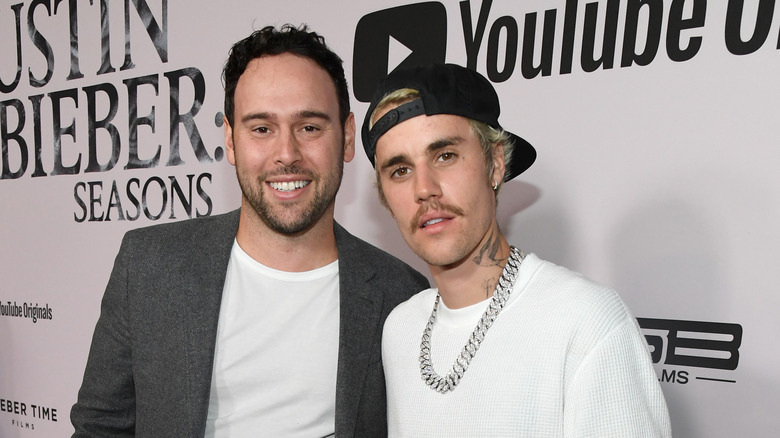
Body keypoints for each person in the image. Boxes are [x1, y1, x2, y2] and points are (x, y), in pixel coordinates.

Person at [70, 25, 428, 438]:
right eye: (261, 128)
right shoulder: (149, 264)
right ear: (231, 139)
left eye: (310, 127)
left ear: (347, 137)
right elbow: (100, 428)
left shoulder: (402, 298)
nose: (287, 154)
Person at [361, 63, 672, 437]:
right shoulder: (400, 328)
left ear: (495, 164)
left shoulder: (586, 323)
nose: (424, 188)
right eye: (400, 170)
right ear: (385, 197)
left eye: (445, 156)